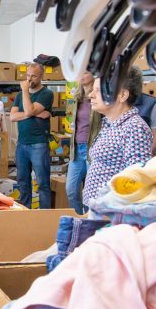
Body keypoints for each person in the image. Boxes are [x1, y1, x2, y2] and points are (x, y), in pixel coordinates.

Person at [82, 68, 153, 207]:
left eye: (98, 90)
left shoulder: (134, 128)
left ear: (122, 95)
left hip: (112, 213)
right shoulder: (109, 123)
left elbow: (135, 181)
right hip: (98, 209)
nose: (91, 95)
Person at [11, 63, 55, 208]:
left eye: (33, 76)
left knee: (42, 182)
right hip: (22, 144)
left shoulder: (46, 94)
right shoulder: (18, 95)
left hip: (39, 144)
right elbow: (12, 117)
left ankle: (44, 217)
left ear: (41, 76)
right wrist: (32, 114)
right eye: (28, 75)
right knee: (23, 181)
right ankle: (25, 214)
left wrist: (25, 91)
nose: (29, 79)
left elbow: (29, 110)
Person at [66, 71, 101, 214]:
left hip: (92, 148)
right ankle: (80, 216)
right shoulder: (76, 99)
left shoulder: (100, 98)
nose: (81, 75)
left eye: (85, 72)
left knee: (91, 191)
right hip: (76, 149)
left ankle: (89, 219)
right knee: (71, 189)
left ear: (94, 75)